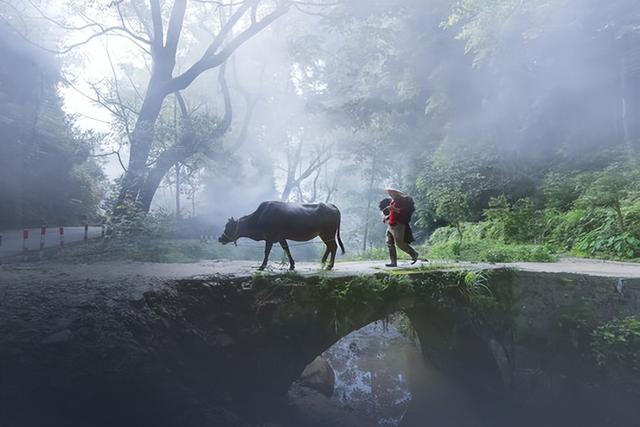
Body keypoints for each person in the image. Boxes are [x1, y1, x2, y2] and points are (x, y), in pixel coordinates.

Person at [382, 188, 419, 267]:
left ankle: (414, 254)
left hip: (399, 224)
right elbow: (393, 213)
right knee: (389, 243)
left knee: (400, 243)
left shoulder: (402, 200)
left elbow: (404, 211)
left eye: (391, 192)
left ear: (396, 193)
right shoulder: (393, 201)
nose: (390, 194)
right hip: (391, 224)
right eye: (389, 192)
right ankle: (393, 262)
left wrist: (393, 208)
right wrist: (387, 217)